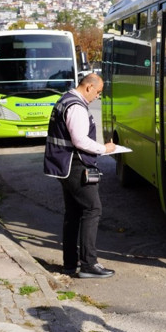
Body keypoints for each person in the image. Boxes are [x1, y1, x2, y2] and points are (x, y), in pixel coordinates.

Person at [44, 73, 117, 279]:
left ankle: (70, 263)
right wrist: (105, 148)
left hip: (65, 166)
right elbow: (80, 140)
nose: (97, 97)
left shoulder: (65, 99)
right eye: (98, 92)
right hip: (76, 165)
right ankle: (88, 264)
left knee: (73, 213)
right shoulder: (76, 106)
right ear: (88, 88)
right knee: (92, 209)